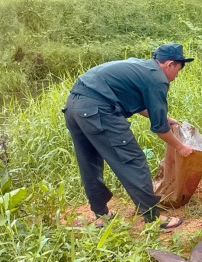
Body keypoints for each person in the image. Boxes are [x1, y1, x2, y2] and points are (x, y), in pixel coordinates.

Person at [63, 43, 194, 229]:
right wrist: (180, 147)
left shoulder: (142, 68)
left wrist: (165, 118)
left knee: (89, 162)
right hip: (98, 110)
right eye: (178, 70)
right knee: (132, 160)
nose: (177, 76)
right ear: (170, 64)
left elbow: (137, 104)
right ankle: (153, 217)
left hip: (74, 106)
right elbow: (160, 129)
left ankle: (101, 215)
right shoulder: (157, 79)